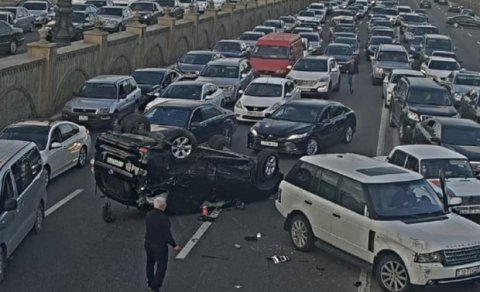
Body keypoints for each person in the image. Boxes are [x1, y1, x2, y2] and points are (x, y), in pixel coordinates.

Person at [145, 196, 182, 292]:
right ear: (163, 206)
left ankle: (150, 281)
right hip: (159, 246)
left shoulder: (149, 215)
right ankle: (154, 286)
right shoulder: (164, 219)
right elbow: (167, 235)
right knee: (162, 266)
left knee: (150, 263)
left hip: (148, 243)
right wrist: (174, 245)